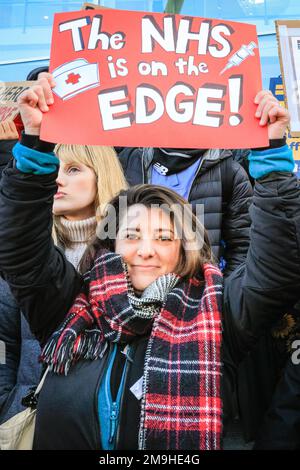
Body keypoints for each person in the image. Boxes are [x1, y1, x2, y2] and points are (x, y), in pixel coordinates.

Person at [0, 76, 299, 450]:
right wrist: (36, 145)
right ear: (111, 243)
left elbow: (277, 267)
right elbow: (21, 248)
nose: (146, 250)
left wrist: (271, 155)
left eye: (163, 238)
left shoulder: (221, 312)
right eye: (132, 235)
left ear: (184, 251)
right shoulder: (68, 304)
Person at [0, 123, 127, 424]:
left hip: (104, 419)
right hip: (32, 416)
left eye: (73, 170)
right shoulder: (22, 253)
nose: (57, 179)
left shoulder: (131, 253)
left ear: (101, 175)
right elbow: (3, 341)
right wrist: (9, 405)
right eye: (53, 168)